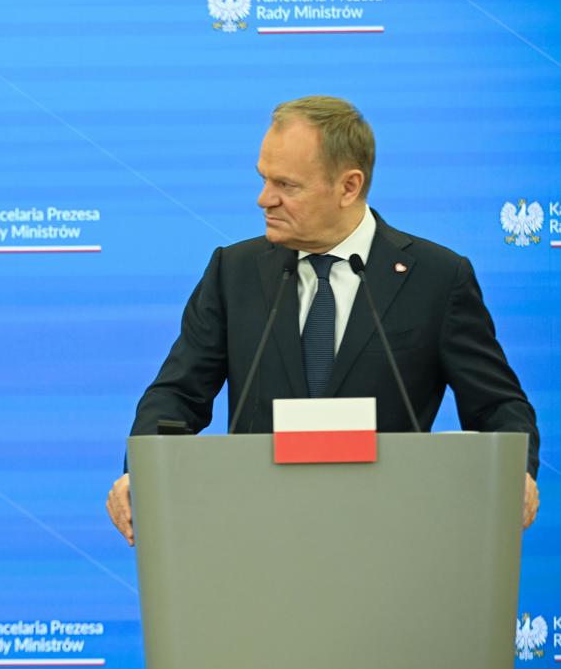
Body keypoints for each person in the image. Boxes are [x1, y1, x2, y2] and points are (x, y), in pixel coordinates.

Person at [106, 96, 540, 543]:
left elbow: (497, 406)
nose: (264, 199)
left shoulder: (436, 279)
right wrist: (142, 474)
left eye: (287, 185)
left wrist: (517, 472)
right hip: (256, 538)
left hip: (392, 540)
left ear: (348, 187)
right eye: (263, 179)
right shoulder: (233, 272)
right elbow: (177, 394)